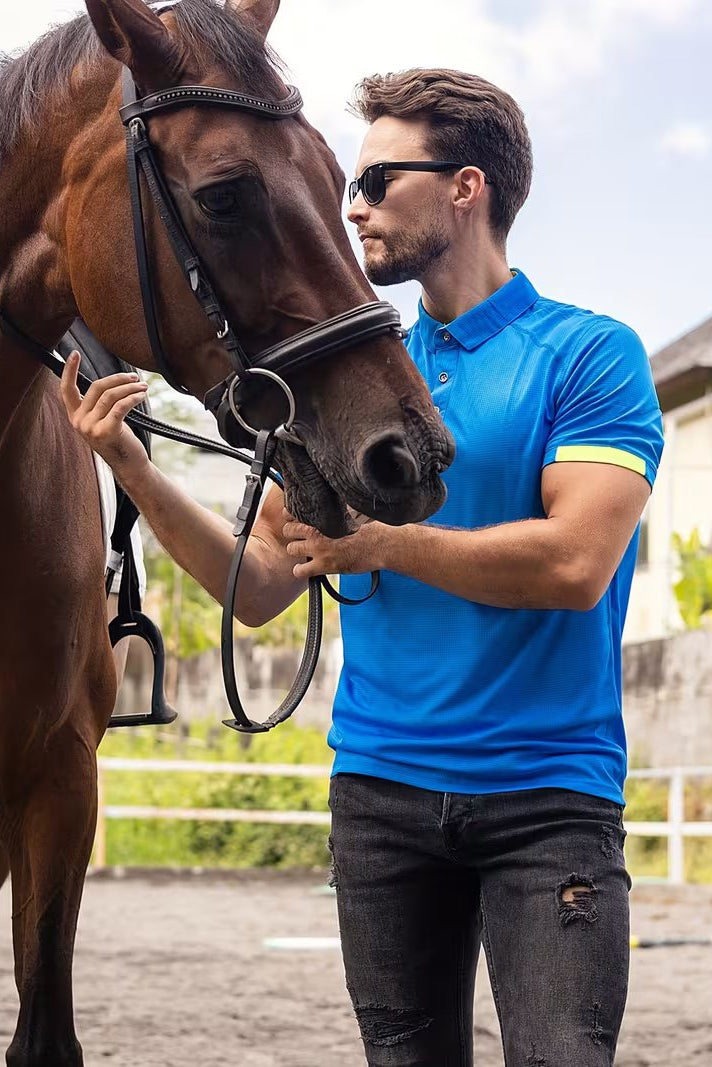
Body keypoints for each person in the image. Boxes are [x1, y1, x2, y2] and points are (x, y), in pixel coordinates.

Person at [61, 68, 664, 1066]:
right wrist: (132, 462)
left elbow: (574, 561)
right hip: (380, 791)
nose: (354, 206)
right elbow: (258, 587)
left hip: (547, 797)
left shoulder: (587, 354)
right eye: (353, 181)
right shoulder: (346, 382)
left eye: (380, 179)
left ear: (465, 188)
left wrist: (380, 543)